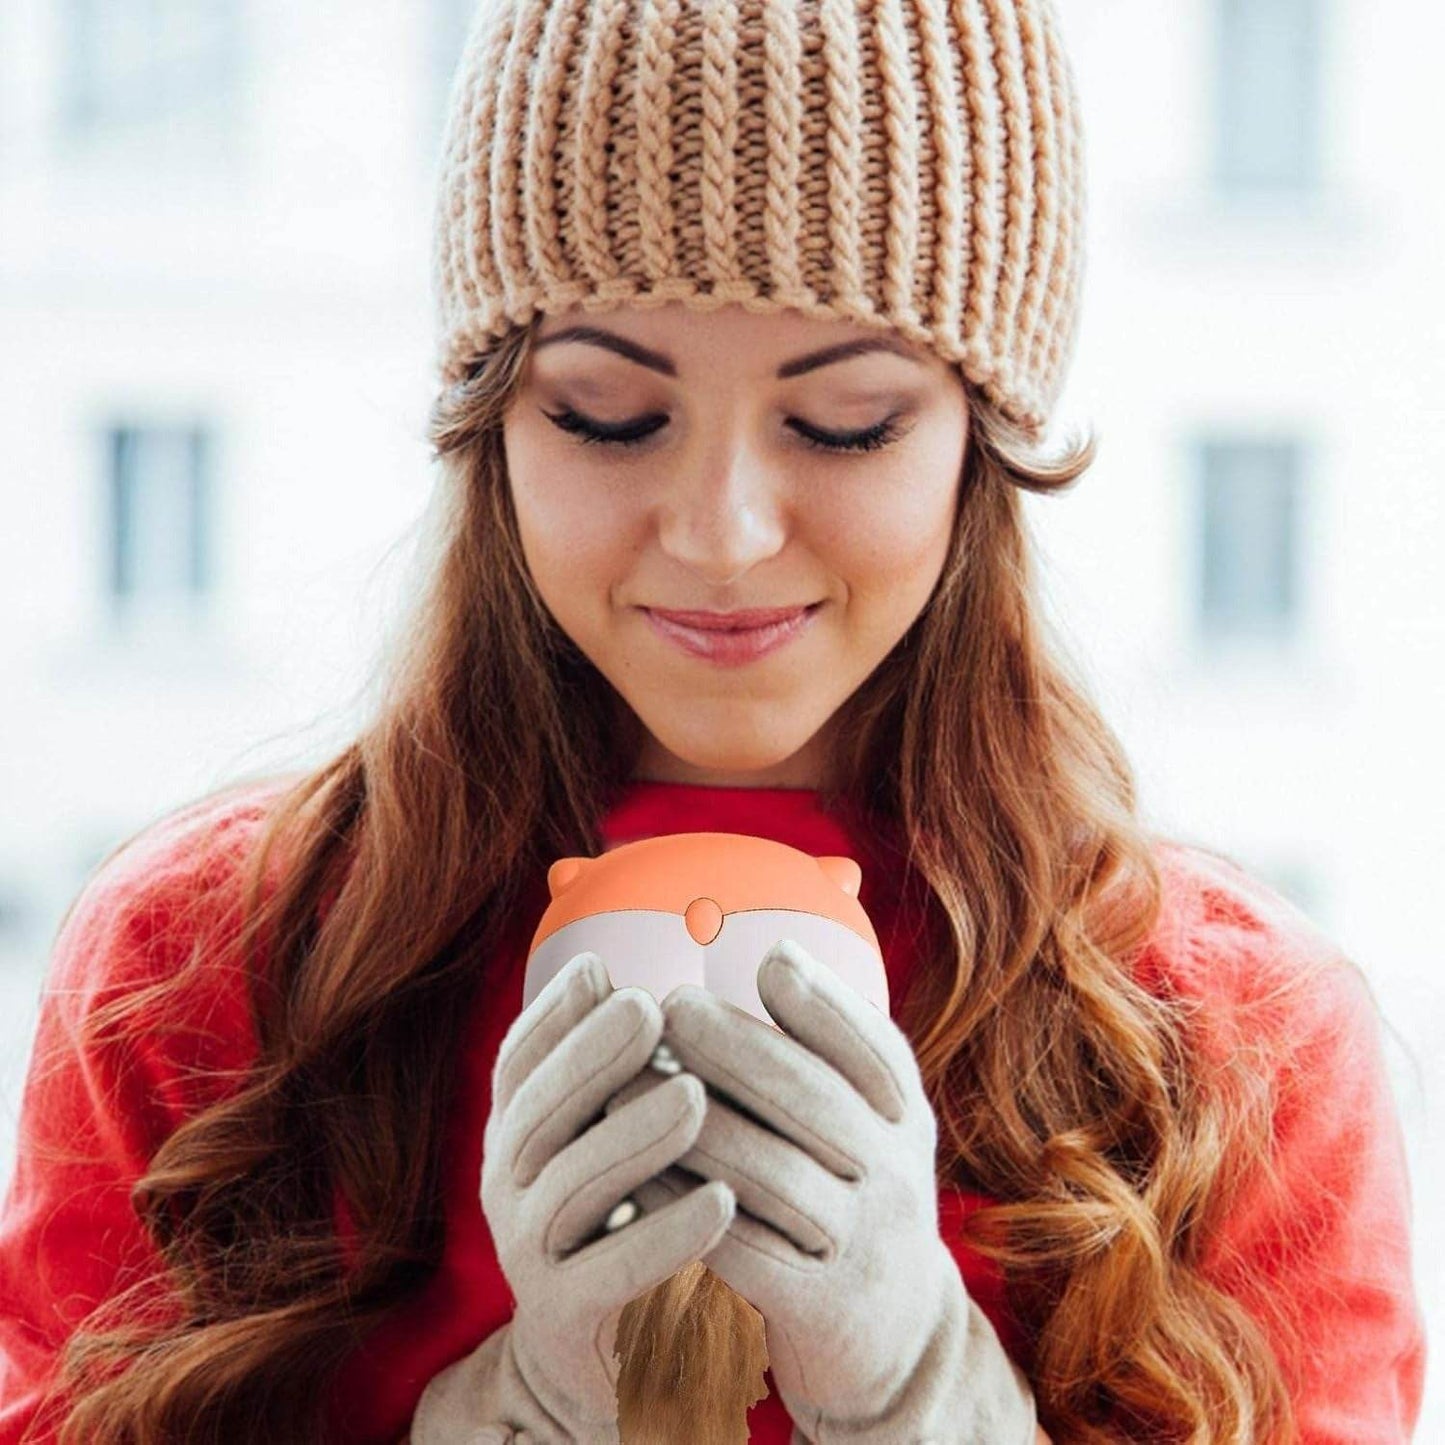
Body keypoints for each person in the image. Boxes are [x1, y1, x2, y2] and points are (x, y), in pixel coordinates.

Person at [0, 0, 1427, 1437]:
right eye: (608, 416)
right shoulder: (199, 968)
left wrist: (922, 1398)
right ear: (492, 422)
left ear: (977, 438)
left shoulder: (1236, 1037)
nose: (724, 532)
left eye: (848, 420)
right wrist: (514, 1413)